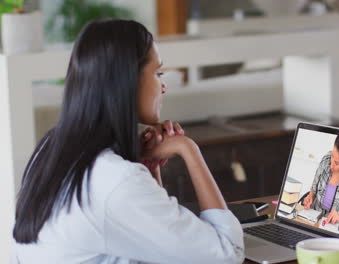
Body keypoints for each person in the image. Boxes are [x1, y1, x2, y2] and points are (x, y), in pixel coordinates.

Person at [12, 19, 244, 264]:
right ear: (127, 81)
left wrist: (151, 169)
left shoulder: (52, 149)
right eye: (158, 73)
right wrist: (189, 149)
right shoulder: (116, 179)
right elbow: (227, 253)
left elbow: (158, 245)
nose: (163, 86)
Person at [303, 133, 339, 226]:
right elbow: (314, 187)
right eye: (332, 156)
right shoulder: (326, 159)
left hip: (328, 225)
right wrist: (310, 197)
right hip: (311, 217)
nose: (331, 165)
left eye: (336, 163)